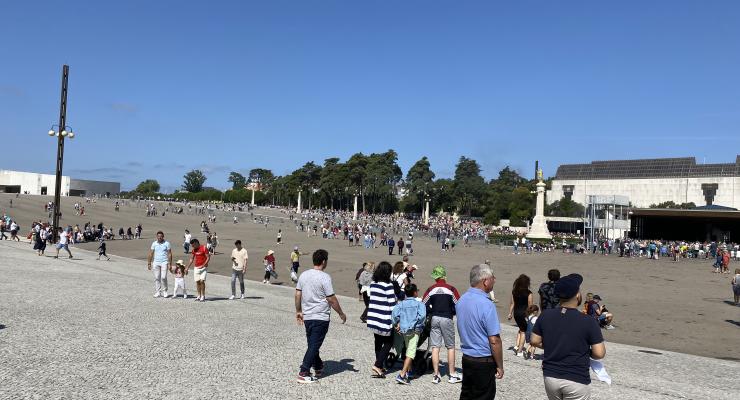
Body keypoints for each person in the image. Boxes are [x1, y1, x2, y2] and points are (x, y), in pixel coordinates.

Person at [530, 274, 606, 400]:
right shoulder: (588, 321)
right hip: (576, 378)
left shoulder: (546, 315)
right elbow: (599, 353)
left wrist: (552, 345)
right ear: (577, 295)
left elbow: (534, 340)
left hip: (551, 376)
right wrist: (584, 350)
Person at [295, 249, 347, 383]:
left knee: (312, 343)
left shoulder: (304, 275)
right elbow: (331, 298)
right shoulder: (325, 277)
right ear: (324, 261)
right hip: (320, 316)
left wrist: (298, 311)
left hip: (308, 315)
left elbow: (298, 294)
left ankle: (317, 366)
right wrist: (341, 313)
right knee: (314, 345)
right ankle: (304, 371)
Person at [457, 263, 503, 399]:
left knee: (466, 395)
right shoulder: (487, 304)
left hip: (467, 358)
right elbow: (494, 341)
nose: (494, 280)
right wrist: (500, 365)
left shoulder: (462, 299)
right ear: (485, 281)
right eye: (493, 277)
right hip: (483, 361)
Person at [422, 265, 462, 384]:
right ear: (444, 276)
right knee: (450, 346)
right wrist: (453, 312)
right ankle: (452, 374)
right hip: (447, 318)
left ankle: (436, 374)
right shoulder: (451, 289)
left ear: (435, 277)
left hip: (434, 318)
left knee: (435, 346)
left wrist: (431, 311)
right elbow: (458, 305)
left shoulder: (431, 289)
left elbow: (424, 304)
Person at [367, 261, 397, 378]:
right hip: (384, 318)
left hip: (374, 318)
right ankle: (378, 364)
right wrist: (397, 320)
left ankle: (379, 365)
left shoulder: (373, 284)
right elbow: (392, 305)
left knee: (378, 342)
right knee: (389, 342)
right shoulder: (388, 286)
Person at [391, 283, 427, 385]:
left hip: (404, 330)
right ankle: (402, 375)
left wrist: (396, 324)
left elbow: (394, 315)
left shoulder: (401, 304)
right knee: (411, 352)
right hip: (414, 331)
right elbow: (422, 316)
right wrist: (418, 325)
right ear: (415, 292)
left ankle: (409, 371)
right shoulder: (420, 304)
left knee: (408, 349)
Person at [507, 274, 533, 357]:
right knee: (523, 332)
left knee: (521, 329)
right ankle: (520, 350)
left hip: (516, 314)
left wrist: (510, 313)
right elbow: (530, 305)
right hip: (524, 314)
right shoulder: (529, 293)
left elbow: (512, 303)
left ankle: (517, 345)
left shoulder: (514, 292)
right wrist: (531, 316)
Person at [147, 231, 172, 298]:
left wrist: (170, 264)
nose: (160, 237)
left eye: (161, 236)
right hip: (156, 262)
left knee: (163, 277)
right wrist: (149, 263)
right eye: (158, 236)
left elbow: (169, 254)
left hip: (164, 262)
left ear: (163, 236)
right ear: (157, 237)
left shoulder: (167, 243)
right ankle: (158, 292)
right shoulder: (154, 243)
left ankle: (165, 291)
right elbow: (151, 253)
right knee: (157, 277)